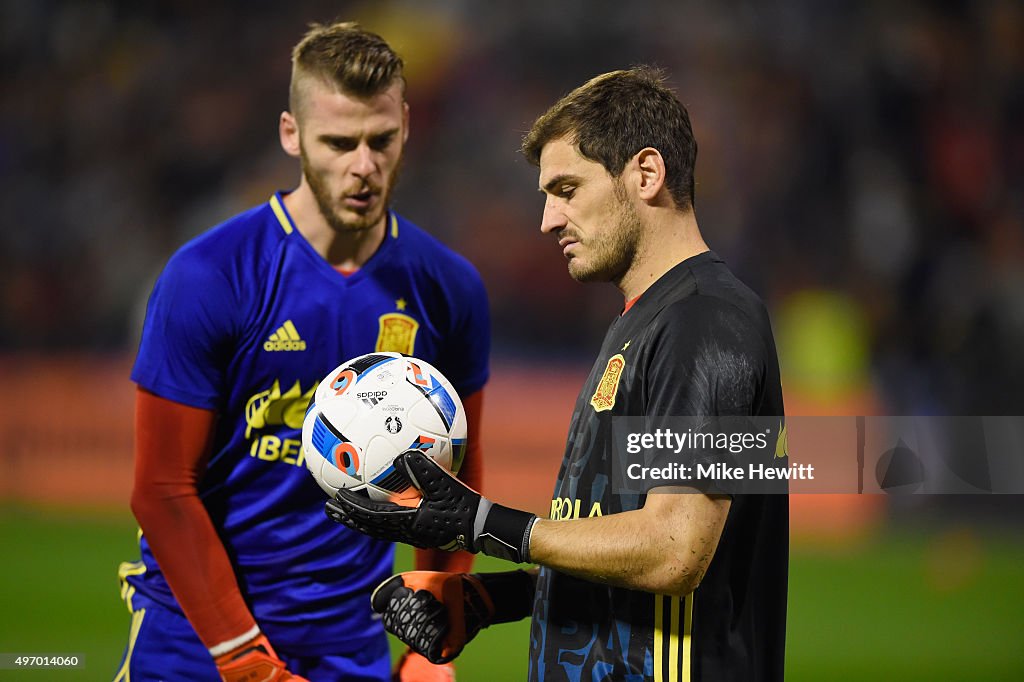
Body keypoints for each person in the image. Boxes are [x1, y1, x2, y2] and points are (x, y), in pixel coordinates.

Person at [326, 66, 788, 681]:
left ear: (646, 174)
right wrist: (493, 600)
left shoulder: (705, 322)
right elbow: (623, 543)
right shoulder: (646, 322)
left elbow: (675, 550)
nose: (547, 219)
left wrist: (479, 524)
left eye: (566, 189)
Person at [114, 21, 489, 682]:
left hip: (353, 651)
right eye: (338, 143)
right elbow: (162, 491)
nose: (363, 167)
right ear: (291, 134)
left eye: (382, 140)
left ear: (407, 123)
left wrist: (435, 641)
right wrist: (245, 659)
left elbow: (454, 478)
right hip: (196, 650)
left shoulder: (448, 288)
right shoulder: (209, 276)